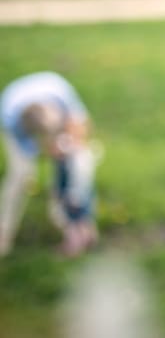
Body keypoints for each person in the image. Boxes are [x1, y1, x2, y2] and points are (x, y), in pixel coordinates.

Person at [0, 70, 99, 257]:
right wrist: (47, 148)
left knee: (78, 165)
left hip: (52, 105)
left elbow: (83, 125)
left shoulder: (62, 94)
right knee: (21, 175)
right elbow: (30, 150)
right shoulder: (10, 117)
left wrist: (69, 145)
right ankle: (3, 231)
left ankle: (76, 222)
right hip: (19, 118)